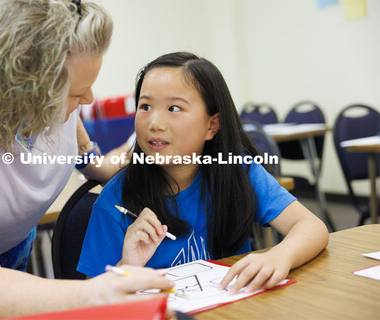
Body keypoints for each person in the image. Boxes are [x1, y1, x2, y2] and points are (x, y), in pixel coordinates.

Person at [0, 1, 174, 319]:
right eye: (75, 94)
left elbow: (71, 121)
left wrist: (92, 161)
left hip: (8, 258)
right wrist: (97, 294)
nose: (89, 99)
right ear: (20, 92)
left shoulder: (53, 84)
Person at [77, 52, 329, 295]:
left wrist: (278, 255)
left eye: (174, 108)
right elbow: (92, 301)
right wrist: (127, 266)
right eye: (145, 106)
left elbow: (311, 226)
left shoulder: (237, 171)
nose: (154, 123)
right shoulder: (115, 200)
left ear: (211, 125)